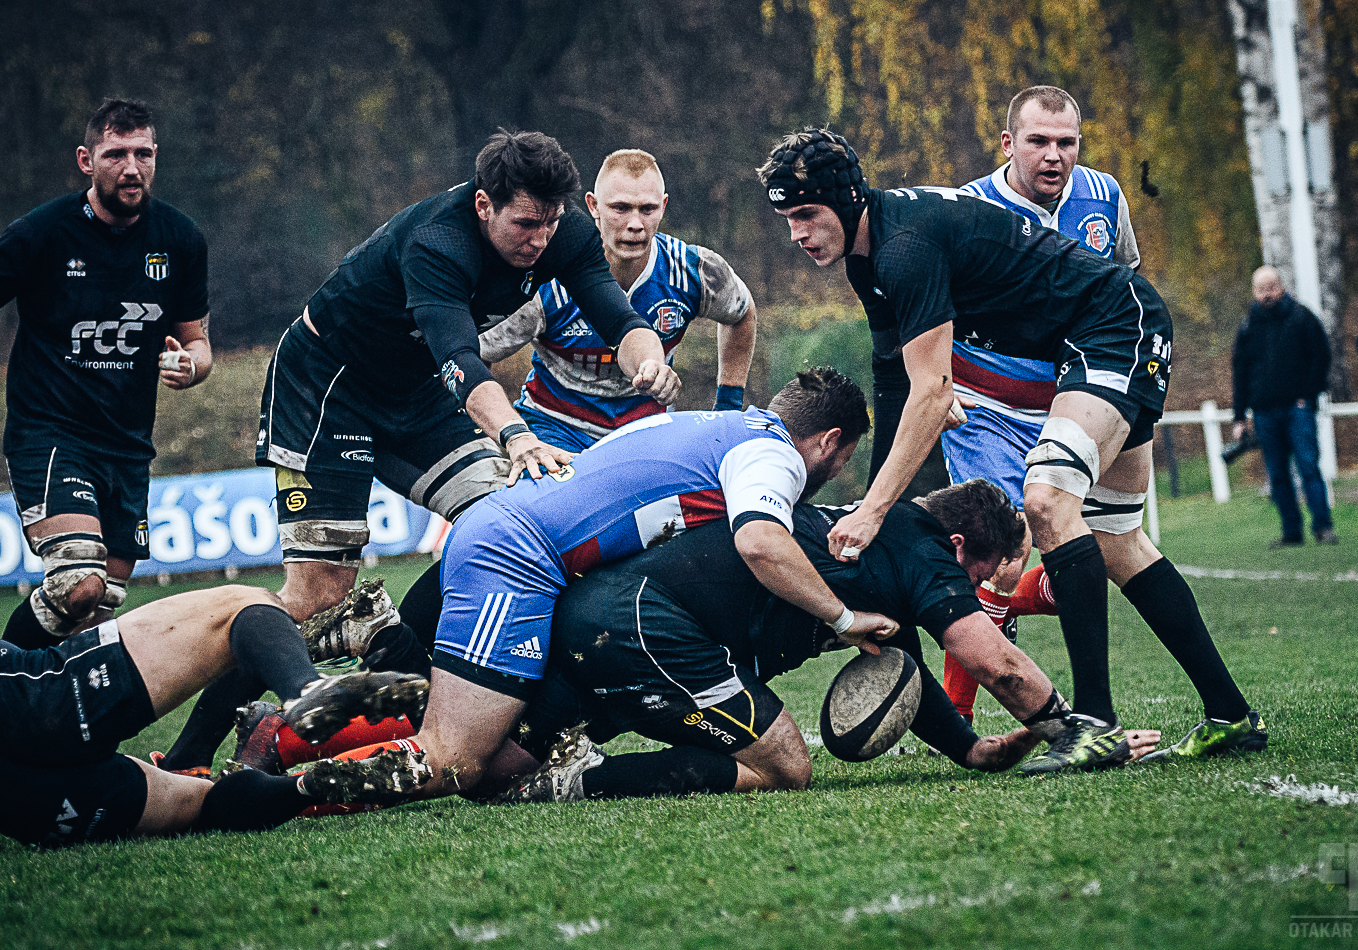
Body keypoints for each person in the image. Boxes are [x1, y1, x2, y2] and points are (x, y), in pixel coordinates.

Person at [159, 129, 681, 775]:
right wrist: (516, 436)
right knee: (318, 597)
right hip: (327, 389)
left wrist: (649, 362)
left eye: (549, 223)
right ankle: (191, 748)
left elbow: (616, 317)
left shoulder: (564, 232)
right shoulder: (438, 239)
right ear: (485, 205)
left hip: (414, 393)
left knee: (511, 529)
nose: (539, 241)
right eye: (525, 224)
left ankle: (408, 660)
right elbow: (460, 360)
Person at [758, 128, 1265, 772]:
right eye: (787, 219)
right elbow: (895, 376)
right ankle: (1230, 714)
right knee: (1116, 541)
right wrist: (873, 497)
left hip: (1113, 327)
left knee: (1048, 500)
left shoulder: (903, 248)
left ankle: (1096, 725)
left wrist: (877, 511)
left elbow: (934, 393)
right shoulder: (871, 254)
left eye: (806, 213)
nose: (798, 233)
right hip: (1095, 336)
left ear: (848, 197)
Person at [311, 369, 900, 804]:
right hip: (518, 558)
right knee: (453, 760)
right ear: (827, 440)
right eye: (843, 459)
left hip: (521, 544)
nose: (835, 474)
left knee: (491, 769)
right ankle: (283, 793)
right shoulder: (773, 453)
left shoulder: (715, 426)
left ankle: (334, 685)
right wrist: (844, 619)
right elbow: (761, 543)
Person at [501, 479, 1162, 802]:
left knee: (488, 765)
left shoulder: (889, 553)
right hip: (649, 630)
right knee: (785, 767)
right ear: (957, 545)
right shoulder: (922, 549)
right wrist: (1069, 731)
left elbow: (902, 665)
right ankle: (581, 782)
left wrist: (971, 748)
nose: (982, 589)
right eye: (983, 574)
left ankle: (415, 747)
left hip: (616, 625)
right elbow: (994, 663)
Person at [942, 86, 1141, 720]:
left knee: (1078, 564)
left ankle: (982, 619)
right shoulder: (970, 208)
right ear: (1008, 144)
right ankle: (958, 713)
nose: (1054, 155)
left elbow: (1125, 285)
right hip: (983, 406)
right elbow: (926, 305)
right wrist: (933, 390)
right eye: (1038, 141)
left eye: (1066, 142)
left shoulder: (1105, 197)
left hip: (1071, 407)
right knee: (1001, 545)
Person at [0, 99, 212, 650]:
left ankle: (56, 732)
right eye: (116, 153)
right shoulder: (41, 233)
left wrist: (190, 366)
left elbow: (198, 342)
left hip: (126, 446)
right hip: (50, 435)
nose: (131, 166)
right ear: (85, 160)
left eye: (143, 153)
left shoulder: (181, 239)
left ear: (156, 157)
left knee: (100, 606)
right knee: (78, 585)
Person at [0, 585, 429, 848]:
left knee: (207, 807)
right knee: (239, 607)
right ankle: (305, 691)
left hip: (25, 803)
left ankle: (304, 789)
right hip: (33, 702)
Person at [480, 149, 757, 450]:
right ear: (593, 206)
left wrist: (728, 406)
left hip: (646, 432)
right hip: (554, 428)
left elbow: (741, 313)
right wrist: (488, 435)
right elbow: (478, 352)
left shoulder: (694, 271)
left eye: (647, 209)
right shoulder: (545, 278)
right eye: (621, 208)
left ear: (664, 207)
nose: (635, 223)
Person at [1231, 265, 1337, 547]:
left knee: (1308, 467)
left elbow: (1321, 356)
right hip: (1265, 412)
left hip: (1297, 409)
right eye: (1261, 289)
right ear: (1254, 292)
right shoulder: (1248, 326)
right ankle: (1292, 531)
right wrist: (1239, 416)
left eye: (1270, 288)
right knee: (1278, 475)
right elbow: (1240, 372)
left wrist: (1308, 395)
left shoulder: (1302, 318)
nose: (1266, 294)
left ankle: (1323, 526)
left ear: (1280, 287)